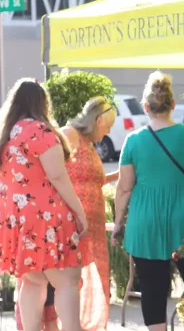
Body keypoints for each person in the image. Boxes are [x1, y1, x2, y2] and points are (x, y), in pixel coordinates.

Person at [110, 72, 184, 331]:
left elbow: (123, 189)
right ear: (173, 104)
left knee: (152, 287)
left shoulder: (134, 140)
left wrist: (118, 223)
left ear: (145, 107)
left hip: (146, 220)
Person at [15, 96, 118, 331]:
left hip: (86, 224)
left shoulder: (91, 144)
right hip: (66, 222)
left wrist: (121, 173)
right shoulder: (69, 134)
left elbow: (94, 180)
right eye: (107, 125)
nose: (109, 130)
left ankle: (69, 325)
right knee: (60, 281)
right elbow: (52, 172)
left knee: (68, 282)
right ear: (98, 119)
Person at [0, 79, 88, 331]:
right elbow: (57, 176)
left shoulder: (7, 134)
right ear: (42, 103)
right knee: (67, 281)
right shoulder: (40, 131)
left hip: (17, 220)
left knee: (32, 281)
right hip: (47, 217)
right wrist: (79, 212)